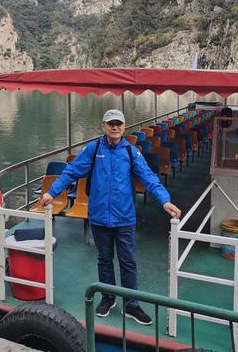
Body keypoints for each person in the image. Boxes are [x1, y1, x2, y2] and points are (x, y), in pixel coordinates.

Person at [41, 109, 181, 325]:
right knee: (104, 260)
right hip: (99, 217)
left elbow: (149, 178)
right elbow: (71, 172)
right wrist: (52, 192)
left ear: (124, 127)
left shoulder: (131, 152)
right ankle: (108, 298)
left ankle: (131, 305)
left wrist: (165, 200)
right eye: (110, 123)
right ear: (104, 126)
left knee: (128, 263)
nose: (115, 127)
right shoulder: (94, 149)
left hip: (124, 218)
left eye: (119, 123)